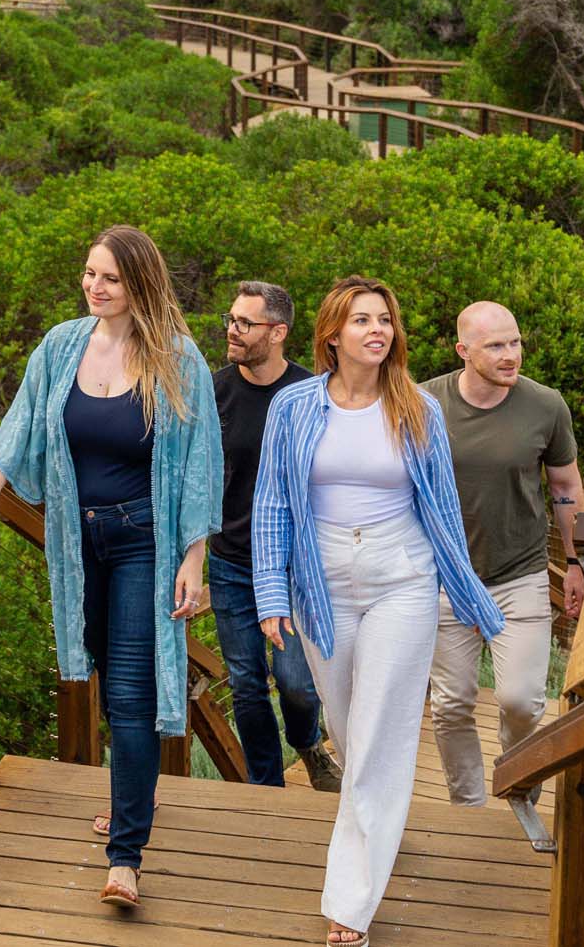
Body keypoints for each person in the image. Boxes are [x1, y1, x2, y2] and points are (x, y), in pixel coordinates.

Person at [0, 225, 221, 911]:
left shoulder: (178, 359)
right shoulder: (61, 345)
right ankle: (134, 791)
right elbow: (19, 426)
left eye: (108, 276)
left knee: (131, 694)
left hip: (144, 542)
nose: (94, 286)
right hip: (78, 544)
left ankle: (125, 856)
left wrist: (195, 556)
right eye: (88, 274)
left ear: (139, 282)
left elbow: (200, 463)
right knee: (101, 676)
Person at [252, 276, 503, 947]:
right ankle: (375, 838)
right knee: (347, 730)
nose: (376, 329)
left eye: (384, 319)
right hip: (321, 582)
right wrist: (271, 593)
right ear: (332, 333)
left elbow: (442, 508)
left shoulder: (418, 407)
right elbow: (274, 503)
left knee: (381, 738)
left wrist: (466, 591)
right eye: (361, 319)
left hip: (403, 578)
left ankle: (349, 907)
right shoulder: (294, 407)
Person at [420, 301, 584, 808]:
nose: (511, 354)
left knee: (522, 703)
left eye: (515, 342)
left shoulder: (545, 405)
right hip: (448, 578)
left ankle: (518, 791)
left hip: (521, 575)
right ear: (463, 351)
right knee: (451, 707)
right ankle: (468, 806)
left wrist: (578, 561)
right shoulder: (425, 403)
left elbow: (566, 486)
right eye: (495, 345)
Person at [209, 282, 339, 791]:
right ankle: (267, 787)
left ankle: (307, 743)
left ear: (278, 332)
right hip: (230, 561)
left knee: (296, 683)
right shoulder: (215, 390)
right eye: (231, 320)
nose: (232, 331)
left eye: (245, 323)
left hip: (290, 565)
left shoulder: (311, 396)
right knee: (245, 684)